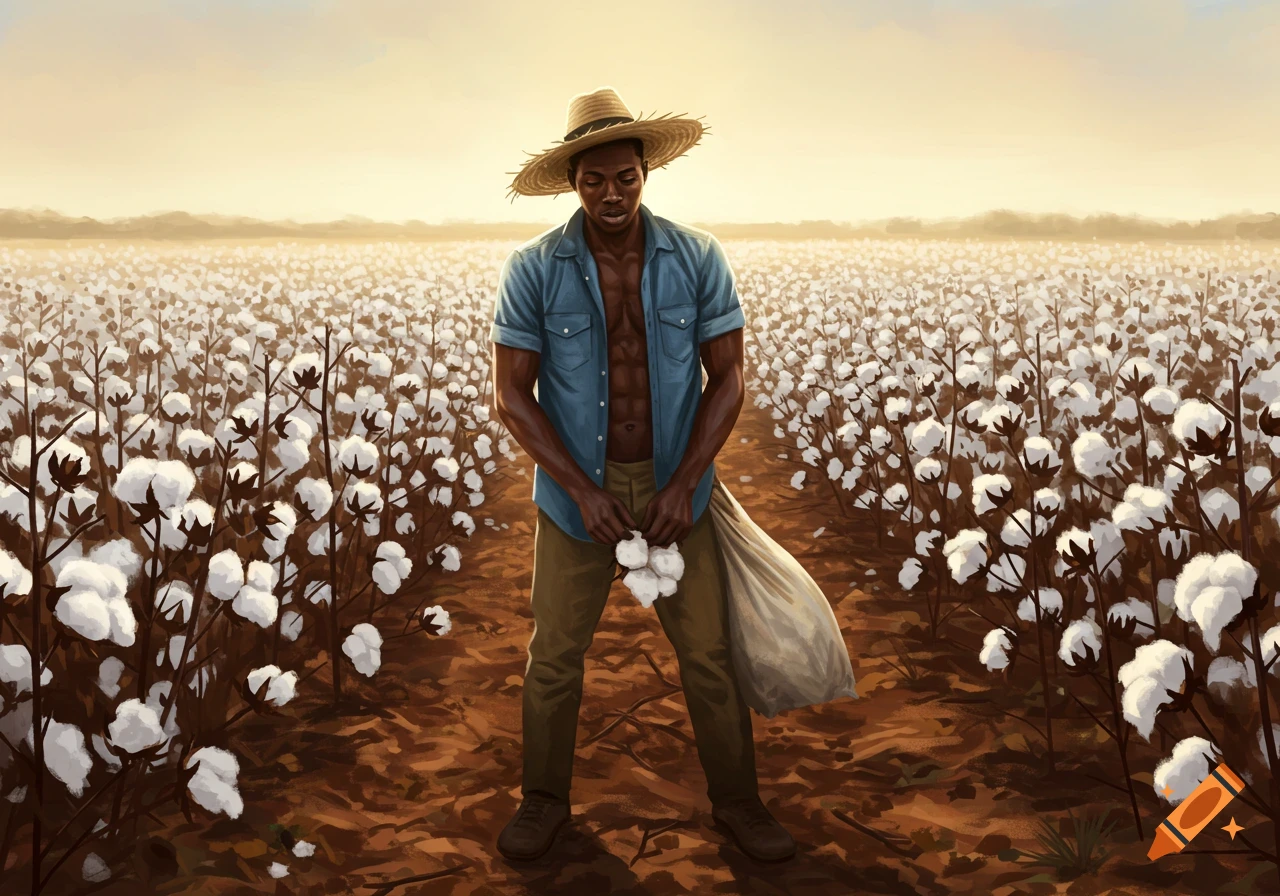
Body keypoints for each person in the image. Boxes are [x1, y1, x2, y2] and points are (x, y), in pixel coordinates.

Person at [489, 87, 795, 863]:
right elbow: (510, 394)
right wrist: (583, 490)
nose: (611, 193)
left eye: (624, 177)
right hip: (573, 498)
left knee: (707, 653)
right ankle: (544, 801)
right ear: (572, 183)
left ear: (645, 172)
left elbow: (726, 379)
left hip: (675, 490)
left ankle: (739, 804)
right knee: (554, 657)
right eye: (594, 180)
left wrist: (686, 481)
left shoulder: (697, 258)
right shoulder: (533, 270)